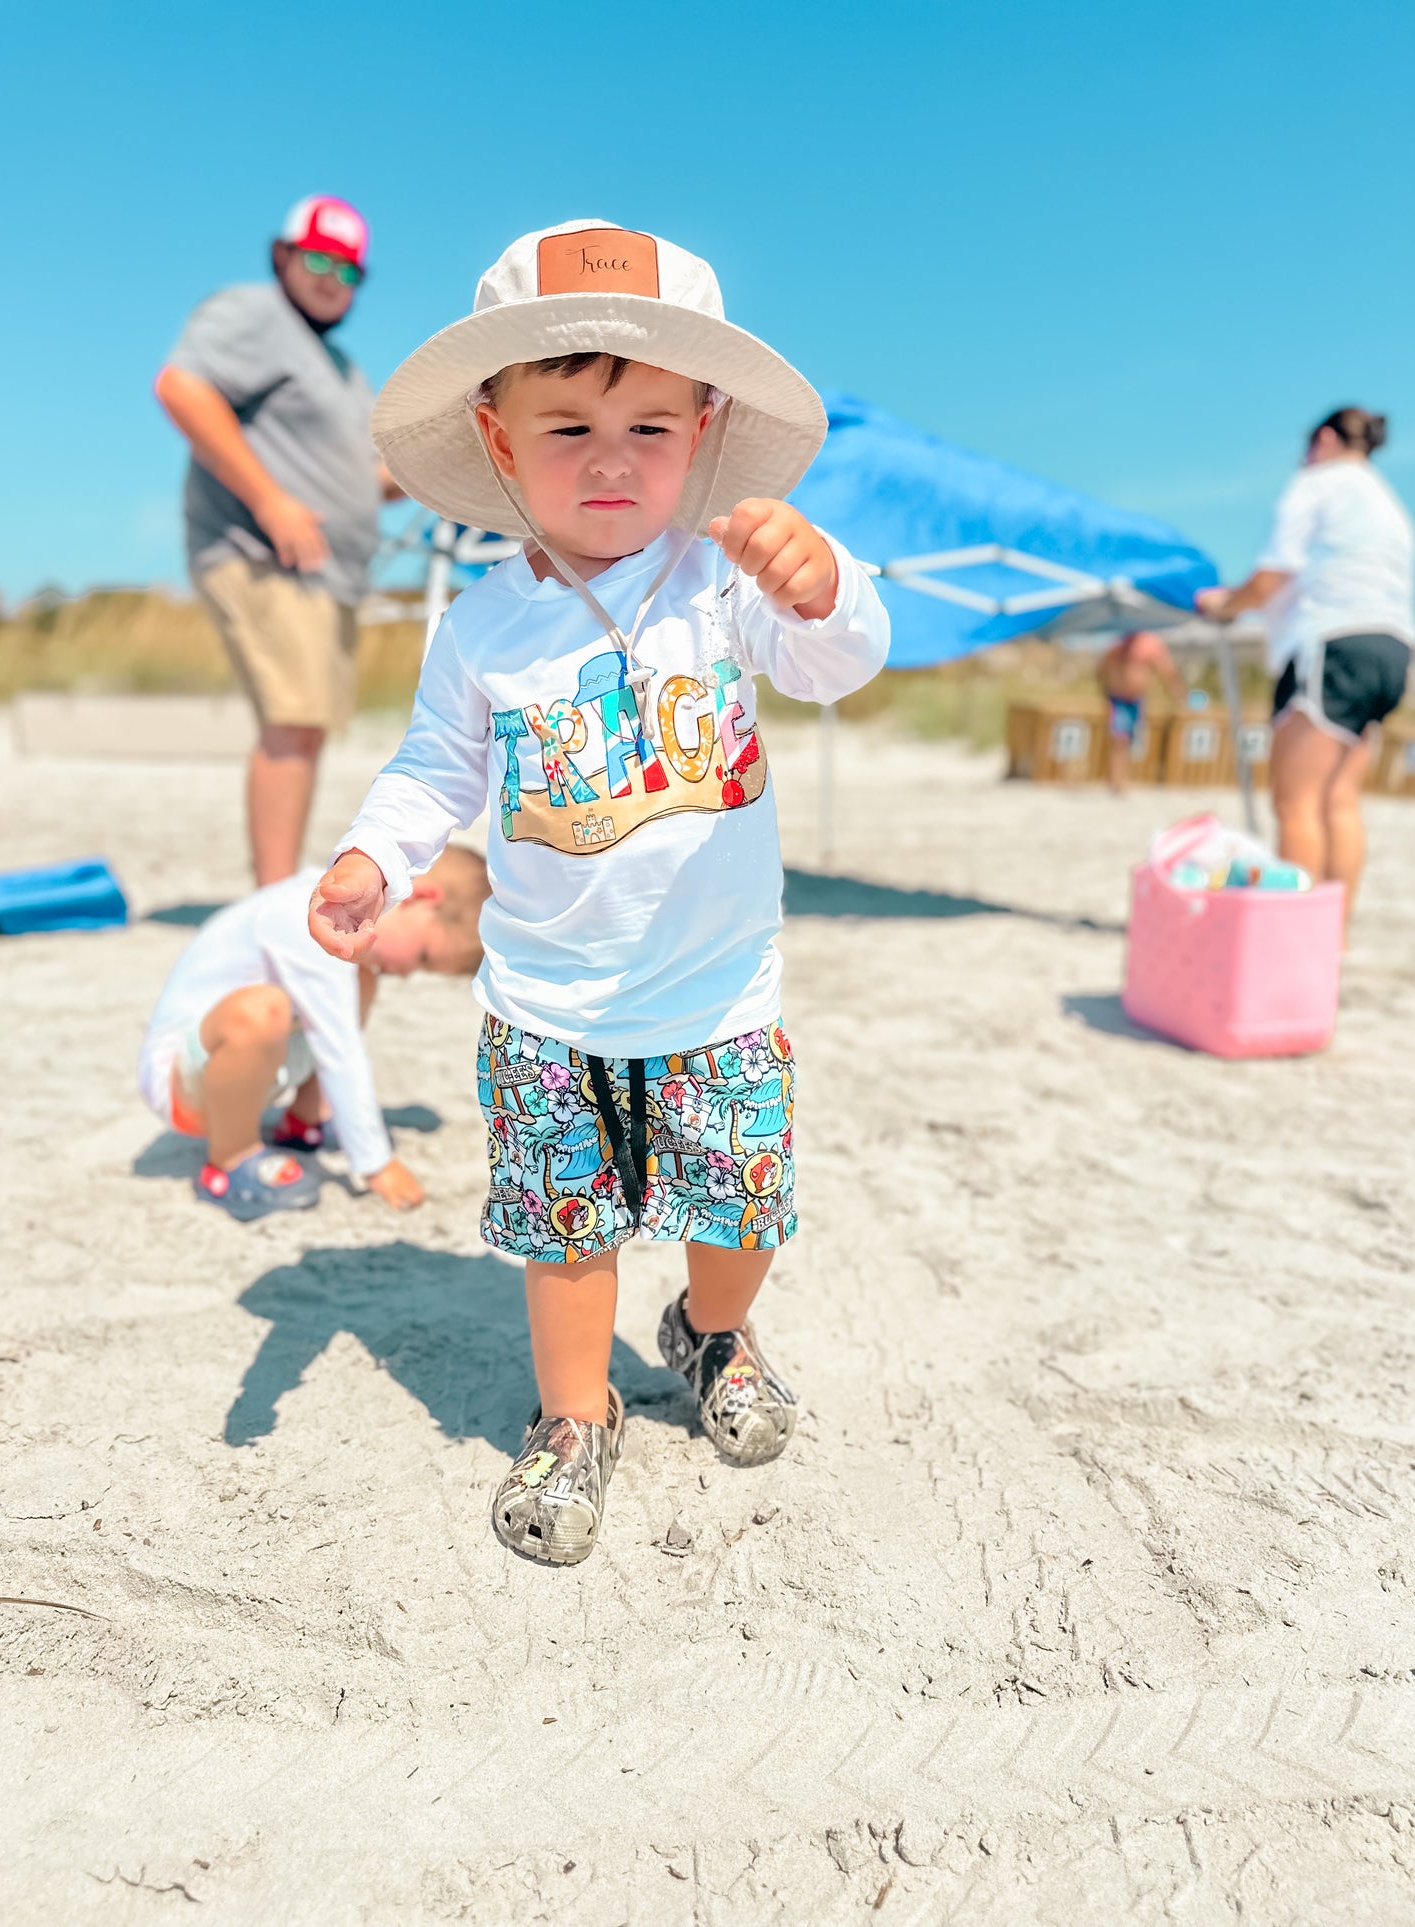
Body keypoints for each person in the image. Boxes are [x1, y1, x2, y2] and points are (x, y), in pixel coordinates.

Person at [308, 219, 889, 1566]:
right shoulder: (482, 624)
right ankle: (576, 1416)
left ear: (706, 425)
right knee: (565, 1233)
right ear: (498, 442)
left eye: (647, 424)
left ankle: (710, 1329)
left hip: (716, 989)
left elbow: (836, 661)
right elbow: (431, 768)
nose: (611, 457)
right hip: (549, 1000)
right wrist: (373, 856)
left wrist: (823, 585)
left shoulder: (722, 582)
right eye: (565, 427)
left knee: (738, 1206)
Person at [154, 196, 404, 887]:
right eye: (319, 260)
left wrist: (433, 467)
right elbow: (181, 388)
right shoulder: (254, 314)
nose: (332, 279)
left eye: (349, 270)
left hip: (327, 573)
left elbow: (364, 480)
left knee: (309, 726)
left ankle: (280, 884)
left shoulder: (342, 367)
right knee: (292, 722)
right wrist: (270, 501)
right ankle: (271, 899)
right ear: (283, 257)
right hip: (262, 554)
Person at [139, 847, 487, 1221]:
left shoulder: (341, 924)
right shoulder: (312, 918)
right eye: (422, 957)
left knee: (358, 979)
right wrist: (374, 1163)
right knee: (265, 1010)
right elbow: (338, 1047)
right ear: (423, 898)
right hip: (182, 1082)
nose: (406, 973)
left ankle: (304, 1120)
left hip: (238, 1070)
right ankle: (229, 1160)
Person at [1197, 407, 1415, 921]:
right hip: (1390, 650)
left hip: (1331, 643)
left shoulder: (1316, 485)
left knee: (1295, 803)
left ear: (1323, 438)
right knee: (1339, 800)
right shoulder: (1389, 504)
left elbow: (1274, 575)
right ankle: (1331, 941)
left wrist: (1224, 604)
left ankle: (1295, 936)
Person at [1097, 629, 1186, 794]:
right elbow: (1103, 668)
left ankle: (1120, 780)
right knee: (1120, 739)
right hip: (1118, 698)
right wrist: (1105, 689)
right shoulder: (1119, 644)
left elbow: (1166, 671)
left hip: (1136, 699)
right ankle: (1117, 783)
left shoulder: (1149, 644)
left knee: (1130, 740)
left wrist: (1178, 694)